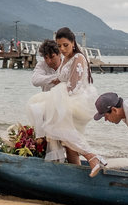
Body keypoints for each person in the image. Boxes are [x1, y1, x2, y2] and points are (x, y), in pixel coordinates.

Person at [25, 27, 103, 173]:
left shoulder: (78, 58)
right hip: (68, 98)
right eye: (59, 46)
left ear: (73, 42)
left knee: (61, 131)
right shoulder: (65, 59)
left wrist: (56, 99)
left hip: (77, 100)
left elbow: (74, 86)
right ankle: (77, 172)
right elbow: (43, 80)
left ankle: (92, 157)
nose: (62, 48)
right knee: (68, 144)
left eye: (65, 45)